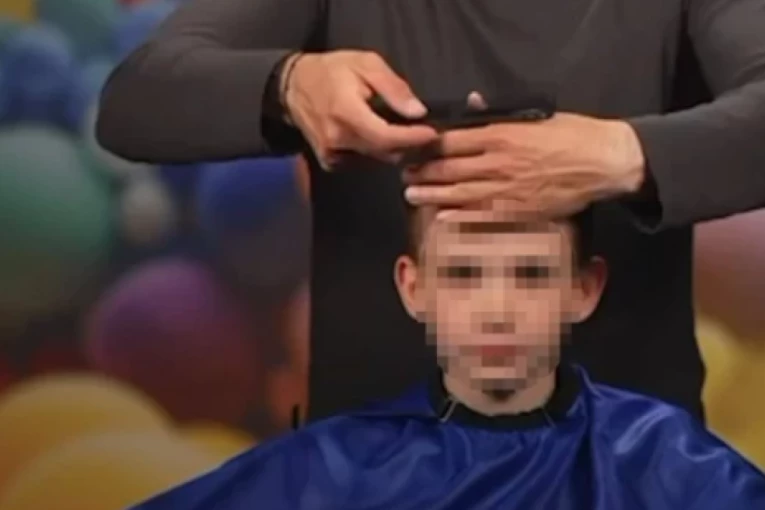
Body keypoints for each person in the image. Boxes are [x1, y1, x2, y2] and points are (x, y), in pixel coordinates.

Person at [96, 0, 765, 422]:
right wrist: (290, 84)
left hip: (628, 472)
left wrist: (622, 154)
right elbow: (136, 97)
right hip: (374, 470)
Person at [128, 205, 765, 510]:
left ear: (583, 290)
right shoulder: (337, 467)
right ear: (414, 288)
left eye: (530, 274)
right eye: (464, 274)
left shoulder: (660, 458)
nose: (497, 310)